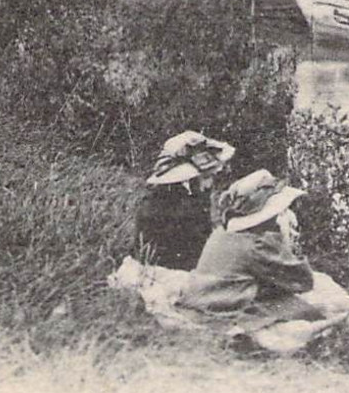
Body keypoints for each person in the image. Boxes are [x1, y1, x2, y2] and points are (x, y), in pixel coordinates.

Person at [178, 169, 328, 326]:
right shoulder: (258, 244)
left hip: (202, 299)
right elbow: (302, 282)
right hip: (221, 308)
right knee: (310, 313)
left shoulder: (222, 233)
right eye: (284, 210)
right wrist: (285, 239)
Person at [134, 130, 235, 270]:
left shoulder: (187, 195)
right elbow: (192, 250)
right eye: (206, 177)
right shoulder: (176, 204)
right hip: (167, 270)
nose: (210, 184)